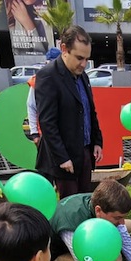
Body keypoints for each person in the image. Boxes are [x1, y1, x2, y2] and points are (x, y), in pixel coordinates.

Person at [36, 26, 103, 196]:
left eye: (87, 59)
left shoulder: (83, 76)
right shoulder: (48, 76)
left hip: (85, 152)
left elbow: (89, 111)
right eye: (79, 58)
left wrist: (97, 141)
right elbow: (47, 122)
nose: (84, 64)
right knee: (70, 208)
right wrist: (62, 158)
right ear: (64, 49)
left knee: (84, 201)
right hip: (64, 159)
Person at [26, 47, 62, 146]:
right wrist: (34, 133)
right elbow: (31, 106)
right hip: (45, 134)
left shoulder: (65, 79)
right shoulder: (37, 81)